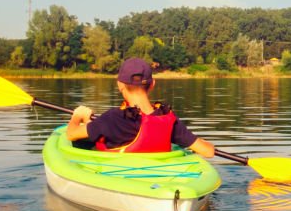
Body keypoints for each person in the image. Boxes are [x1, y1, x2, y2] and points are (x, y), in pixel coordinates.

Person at [64, 57, 215, 157]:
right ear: (152, 85)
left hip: (123, 179)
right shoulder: (167, 118)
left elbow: (71, 134)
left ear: (120, 85)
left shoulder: (114, 118)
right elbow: (208, 152)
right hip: (160, 180)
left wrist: (78, 115)